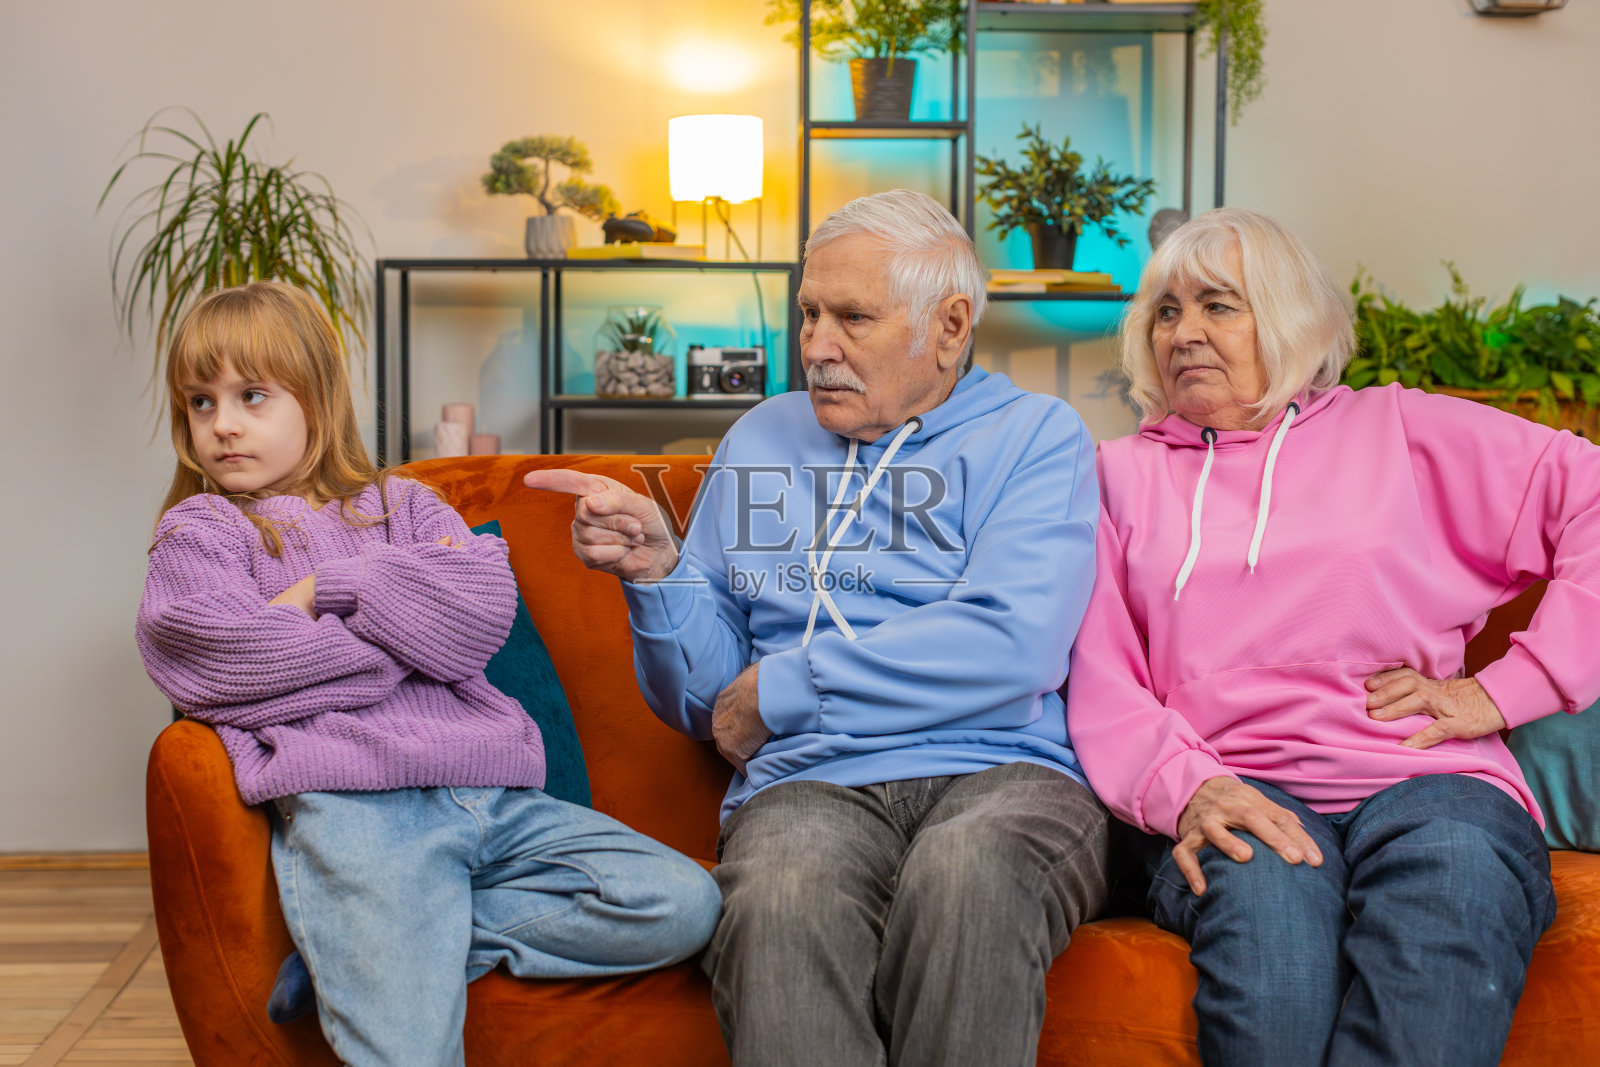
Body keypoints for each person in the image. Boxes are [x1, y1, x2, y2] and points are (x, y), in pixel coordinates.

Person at [527, 189, 1110, 1066]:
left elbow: (1011, 641)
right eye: (808, 313)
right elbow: (706, 703)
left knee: (968, 875)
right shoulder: (761, 438)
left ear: (950, 326)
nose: (816, 345)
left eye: (852, 317)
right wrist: (657, 574)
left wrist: (791, 685)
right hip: (812, 783)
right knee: (779, 894)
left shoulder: (1035, 436)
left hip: (1004, 770)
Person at [135, 281, 721, 1067]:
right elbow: (215, 656)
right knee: (409, 1050)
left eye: (251, 395)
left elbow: (478, 618)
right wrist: (405, 634)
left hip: (496, 796)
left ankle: (352, 954)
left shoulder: (404, 504)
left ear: (316, 397)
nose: (224, 425)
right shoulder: (201, 529)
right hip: (357, 810)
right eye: (201, 403)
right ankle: (365, 953)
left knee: (684, 901)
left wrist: (328, 593)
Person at [1066, 207, 1600, 1066]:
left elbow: (1592, 500)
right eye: (1166, 311)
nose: (1185, 332)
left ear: (1287, 318)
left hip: (1433, 780)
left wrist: (1507, 687)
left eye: (1217, 305)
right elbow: (1100, 677)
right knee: (1270, 963)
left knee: (1454, 899)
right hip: (1235, 789)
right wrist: (1187, 786)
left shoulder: (1400, 429)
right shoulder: (1112, 477)